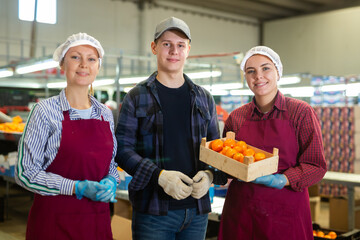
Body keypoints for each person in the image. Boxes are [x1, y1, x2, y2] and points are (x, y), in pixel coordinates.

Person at [115, 17, 226, 240]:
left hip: (197, 212)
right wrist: (160, 176)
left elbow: (218, 149)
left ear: (188, 50)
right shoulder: (137, 97)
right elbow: (122, 150)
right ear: (154, 47)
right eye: (167, 44)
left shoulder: (204, 98)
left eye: (180, 45)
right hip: (153, 214)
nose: (174, 50)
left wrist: (210, 176)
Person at [15, 32, 119, 240]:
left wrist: (111, 180)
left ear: (98, 67)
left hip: (96, 222)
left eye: (91, 59)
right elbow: (25, 173)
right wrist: (75, 187)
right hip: (53, 223)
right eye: (75, 57)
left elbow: (111, 165)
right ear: (62, 65)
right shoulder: (44, 111)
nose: (84, 64)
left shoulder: (105, 114)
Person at [218, 46, 327, 240]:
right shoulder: (237, 117)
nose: (258, 76)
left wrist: (281, 180)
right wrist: (214, 171)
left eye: (266, 68)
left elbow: (316, 165)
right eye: (251, 71)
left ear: (278, 72)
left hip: (285, 213)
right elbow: (227, 161)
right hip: (242, 212)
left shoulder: (300, 113)